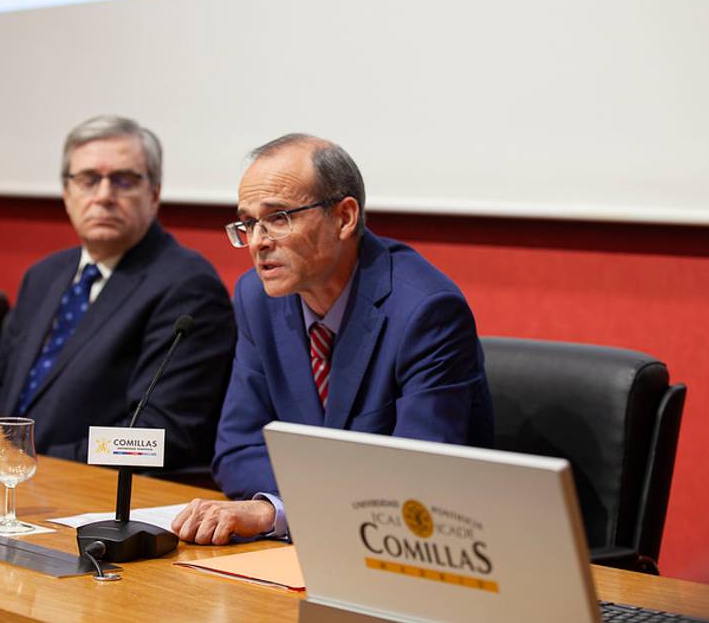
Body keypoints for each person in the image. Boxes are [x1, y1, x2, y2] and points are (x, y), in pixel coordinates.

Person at [172, 134, 494, 544]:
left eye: (278, 218)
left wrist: (278, 511)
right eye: (248, 223)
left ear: (344, 218)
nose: (257, 242)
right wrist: (278, 509)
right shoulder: (256, 297)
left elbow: (420, 478)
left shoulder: (426, 312)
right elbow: (237, 449)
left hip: (423, 554)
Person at [0, 115, 235, 469]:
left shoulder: (186, 286)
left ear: (154, 193)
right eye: (88, 180)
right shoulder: (44, 275)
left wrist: (37, 460)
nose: (103, 196)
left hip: (86, 490)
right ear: (67, 192)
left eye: (124, 181)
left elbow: (157, 434)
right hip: (4, 480)